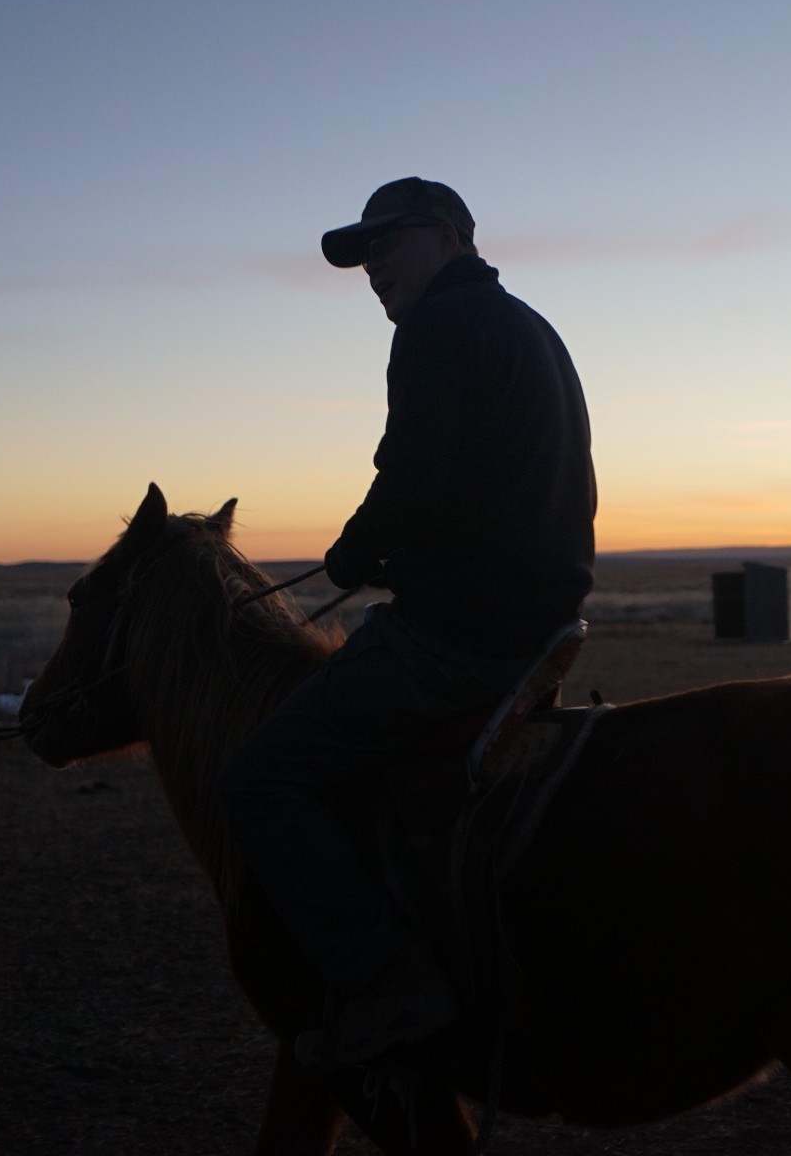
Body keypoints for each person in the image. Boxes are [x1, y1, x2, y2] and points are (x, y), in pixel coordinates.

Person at [217, 177, 596, 1067]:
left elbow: (414, 473)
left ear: (455, 238)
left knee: (257, 783)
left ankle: (392, 979)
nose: (375, 265)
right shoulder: (532, 329)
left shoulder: (437, 329)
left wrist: (352, 554)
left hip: (455, 637)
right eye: (365, 254)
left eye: (390, 241)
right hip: (537, 626)